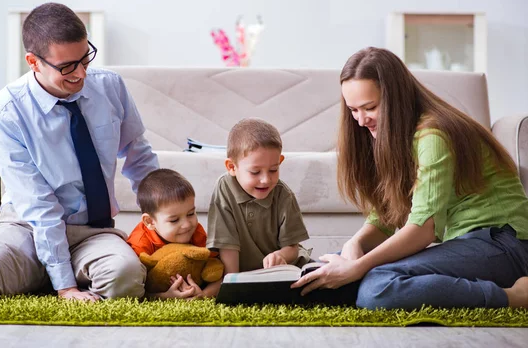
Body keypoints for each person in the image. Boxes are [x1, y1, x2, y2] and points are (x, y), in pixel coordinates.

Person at [0, 2, 159, 302]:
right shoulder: (7, 112)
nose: (81, 73)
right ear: (33, 61)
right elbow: (37, 205)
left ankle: (41, 277)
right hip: (25, 230)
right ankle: (53, 275)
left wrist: (165, 221)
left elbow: (140, 157)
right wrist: (65, 286)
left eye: (85, 59)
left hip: (92, 231)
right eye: (67, 66)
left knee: (125, 281)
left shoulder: (109, 87)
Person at [292, 46, 528, 309]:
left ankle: (514, 297)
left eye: (369, 107)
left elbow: (423, 229)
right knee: (323, 269)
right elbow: (384, 220)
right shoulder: (391, 137)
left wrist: (358, 267)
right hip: (466, 245)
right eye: (353, 110)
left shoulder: (433, 135)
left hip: (505, 244)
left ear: (396, 99)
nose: (360, 120)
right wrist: (354, 245)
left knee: (377, 286)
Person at [206, 118, 311, 286]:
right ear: (232, 167)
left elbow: (292, 248)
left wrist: (281, 256)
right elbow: (228, 245)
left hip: (281, 274)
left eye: (273, 170)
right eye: (255, 172)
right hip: (242, 273)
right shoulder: (224, 188)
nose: (266, 180)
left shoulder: (283, 195)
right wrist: (233, 284)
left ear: (280, 162)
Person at [127, 168, 219, 299]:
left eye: (191, 214)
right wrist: (164, 296)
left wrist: (203, 294)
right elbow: (131, 291)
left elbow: (216, 267)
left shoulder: (196, 231)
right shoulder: (140, 244)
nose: (187, 224)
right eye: (174, 220)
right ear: (150, 222)